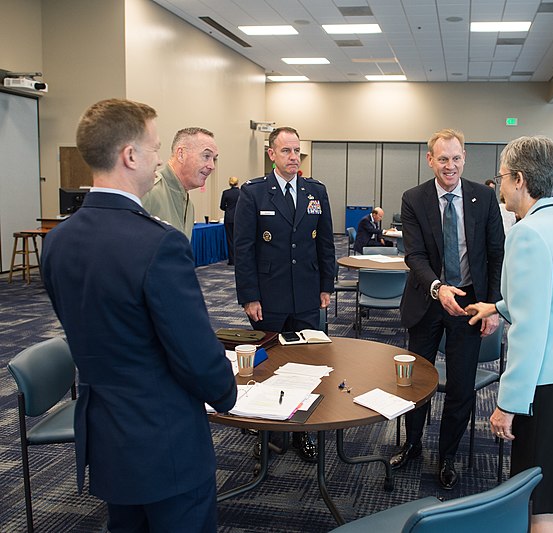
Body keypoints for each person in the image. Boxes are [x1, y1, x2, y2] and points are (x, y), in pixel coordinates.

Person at [40, 99, 237, 532]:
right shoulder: (158, 244)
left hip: (106, 438)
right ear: (130, 156)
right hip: (165, 439)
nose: (158, 161)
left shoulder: (57, 242)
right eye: (155, 148)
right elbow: (194, 353)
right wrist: (227, 392)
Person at [466, 135, 553, 532]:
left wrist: (507, 404)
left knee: (538, 501)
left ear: (519, 179)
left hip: (552, 383)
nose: (500, 186)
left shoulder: (527, 233)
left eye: (502, 177)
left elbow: (531, 330)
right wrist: (497, 306)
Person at [392, 128, 505, 490]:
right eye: (443, 159)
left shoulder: (484, 197)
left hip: (471, 303)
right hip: (428, 300)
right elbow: (415, 255)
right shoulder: (414, 198)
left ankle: (448, 455)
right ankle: (411, 444)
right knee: (416, 382)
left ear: (464, 157)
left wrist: (492, 307)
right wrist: (438, 288)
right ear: (430, 160)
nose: (450, 165)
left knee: (460, 388)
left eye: (456, 158)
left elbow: (495, 254)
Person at [234, 126, 335, 462]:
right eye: (287, 151)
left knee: (306, 365)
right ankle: (266, 436)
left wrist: (326, 285)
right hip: (268, 296)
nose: (294, 157)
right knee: (267, 367)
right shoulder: (254, 193)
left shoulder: (315, 191)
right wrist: (249, 295)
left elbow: (325, 243)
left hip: (306, 293)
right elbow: (244, 249)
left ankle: (300, 435)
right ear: (272, 154)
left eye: (297, 152)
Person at [142, 127, 219, 240]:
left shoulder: (189, 205)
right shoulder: (148, 191)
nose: (212, 166)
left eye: (213, 159)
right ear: (181, 154)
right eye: (206, 156)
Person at [220, 176, 240, 265]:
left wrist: (228, 209)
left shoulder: (226, 193)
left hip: (228, 218)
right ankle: (239, 258)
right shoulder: (241, 193)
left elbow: (222, 206)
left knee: (230, 239)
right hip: (239, 218)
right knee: (239, 238)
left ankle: (232, 260)